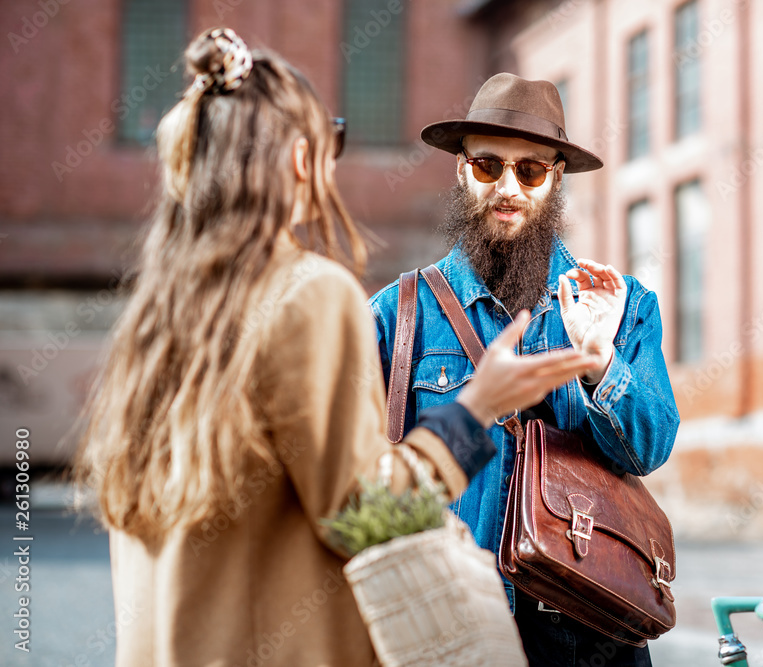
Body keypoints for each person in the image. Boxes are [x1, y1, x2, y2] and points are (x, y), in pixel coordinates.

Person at [74, 30, 600, 667]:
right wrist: (474, 411)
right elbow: (364, 519)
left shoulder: (156, 319)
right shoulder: (308, 293)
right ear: (302, 158)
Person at [368, 73, 681, 666]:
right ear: (461, 169)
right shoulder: (395, 316)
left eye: (530, 171)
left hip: (589, 621)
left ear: (555, 179)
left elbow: (649, 446)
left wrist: (600, 361)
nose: (507, 187)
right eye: (488, 165)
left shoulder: (624, 303)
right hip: (453, 621)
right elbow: (364, 488)